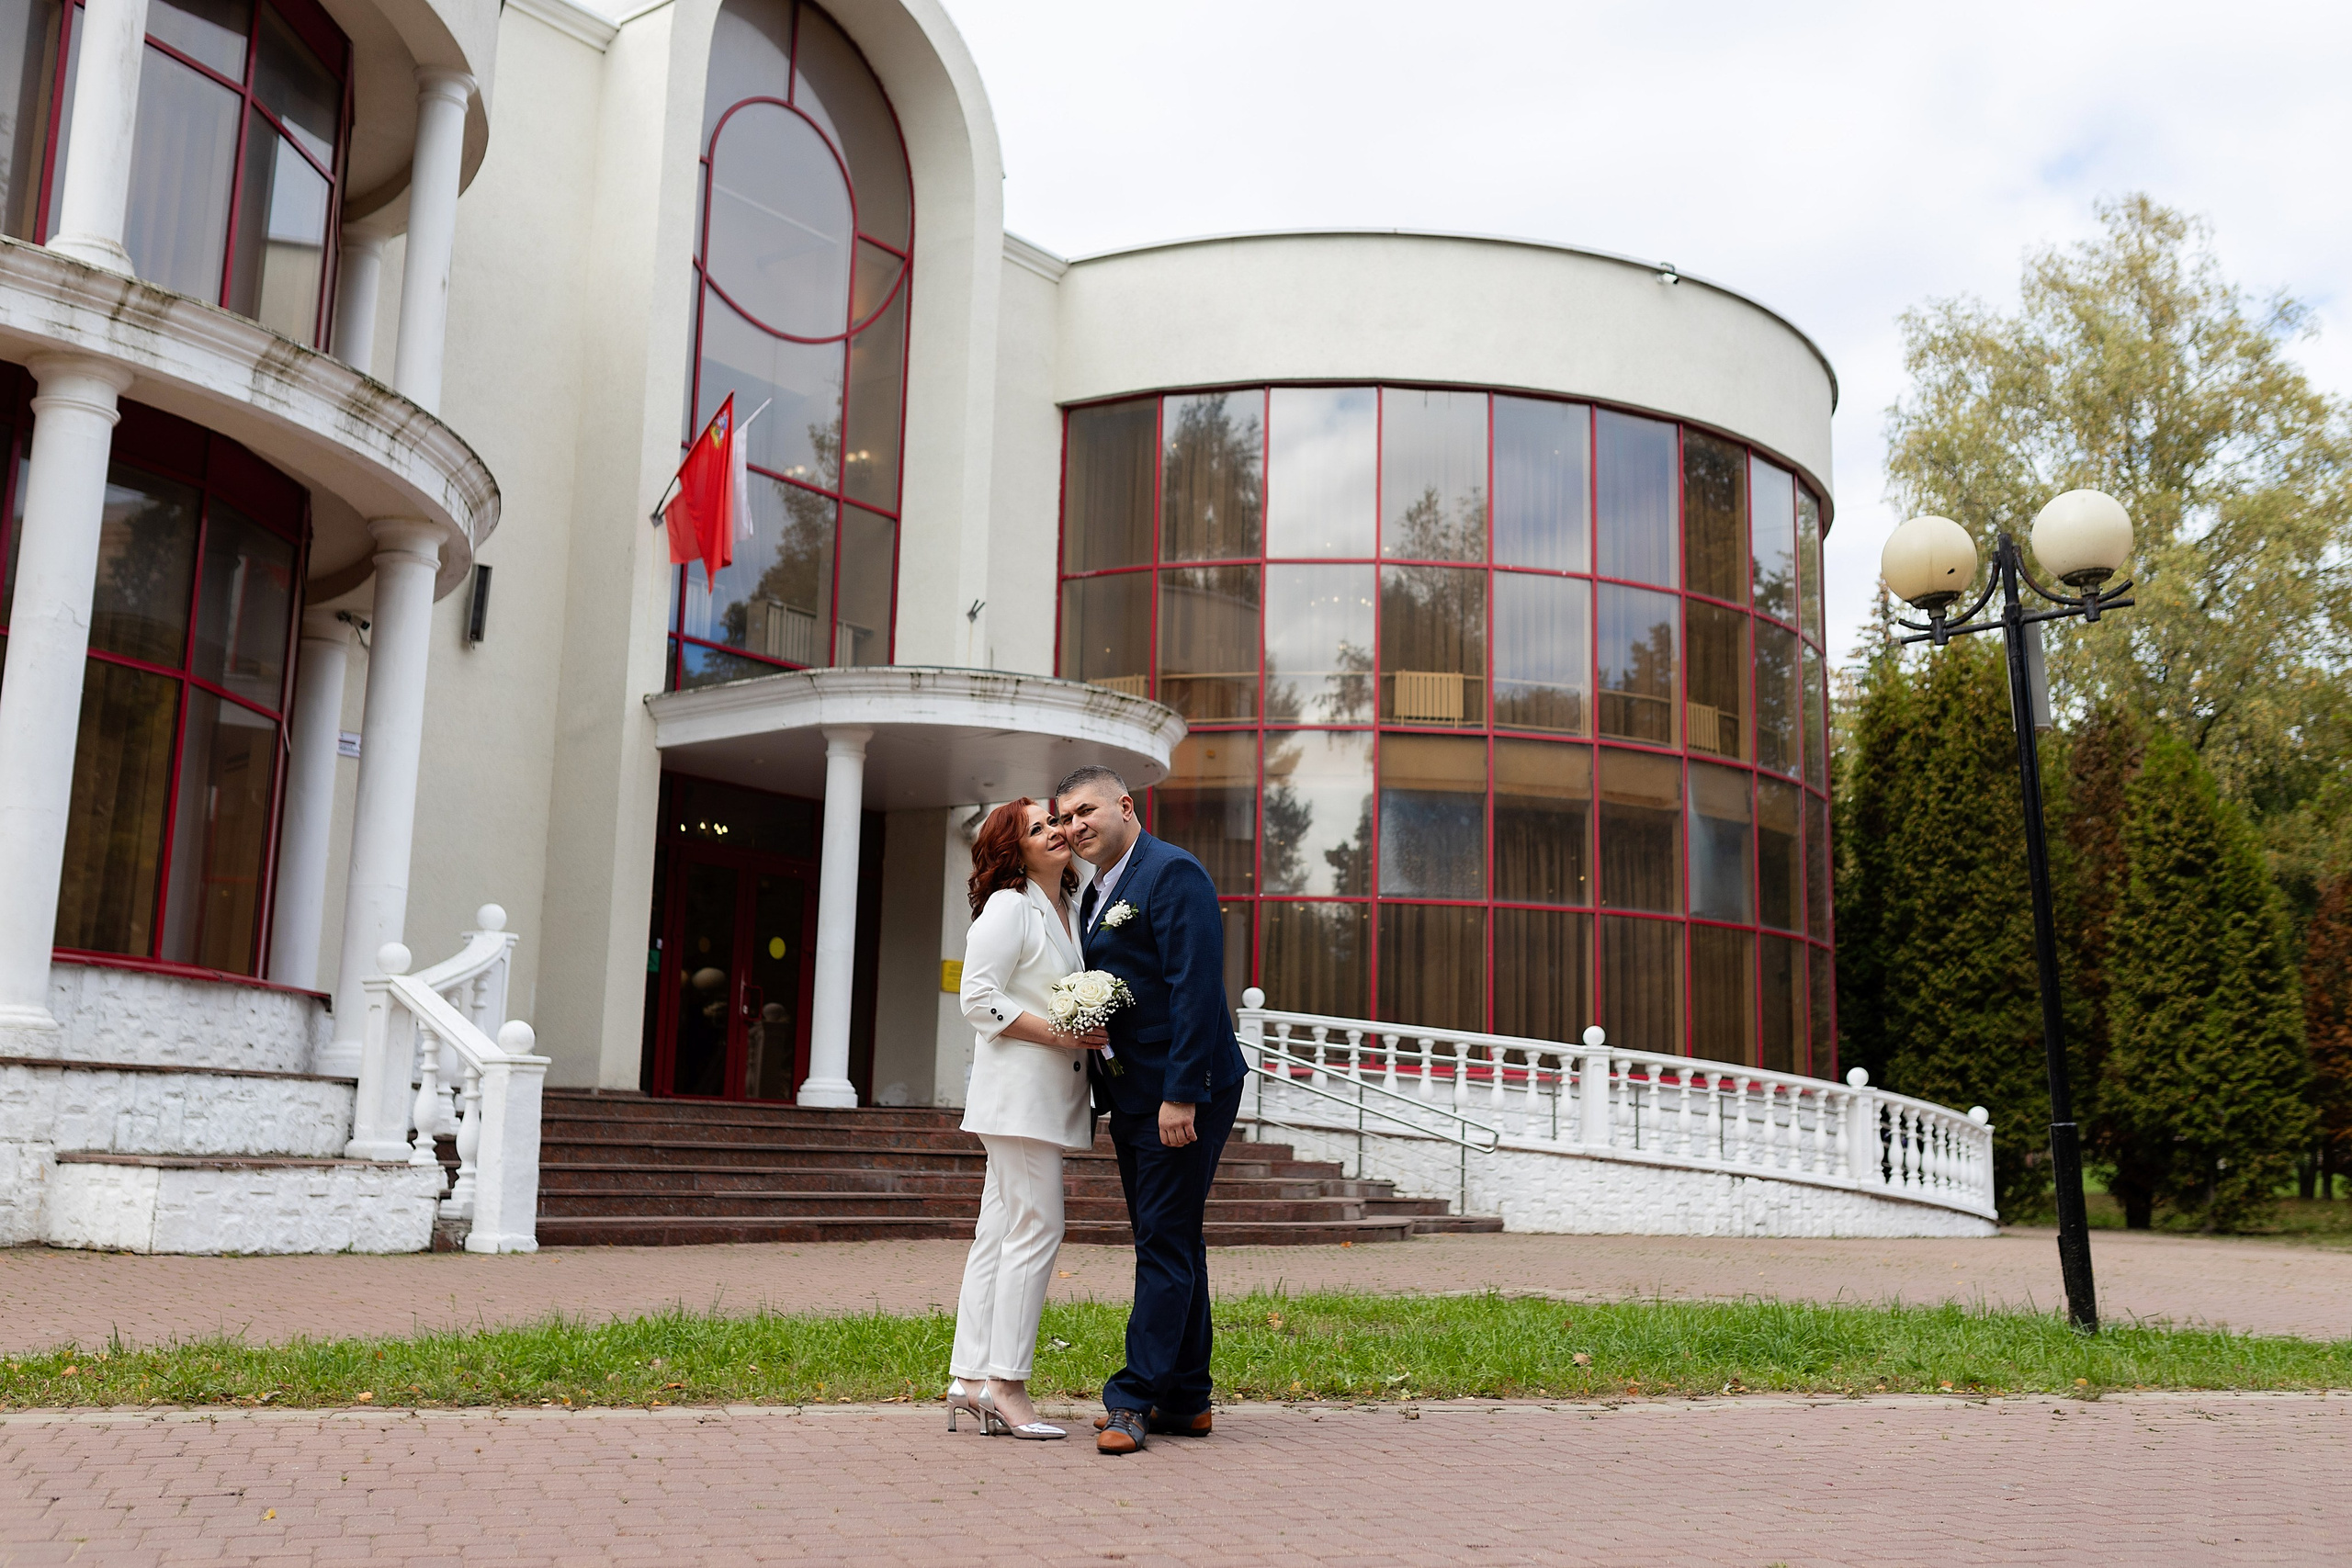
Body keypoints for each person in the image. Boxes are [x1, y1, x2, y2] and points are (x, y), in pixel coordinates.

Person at [1053, 763, 1250, 1456]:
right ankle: (1188, 1397)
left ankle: (1132, 1398)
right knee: (1172, 1238)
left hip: (1181, 1090)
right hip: (1133, 1091)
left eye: (1084, 811)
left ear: (1124, 806)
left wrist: (1181, 1091)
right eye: (1065, 818)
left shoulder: (1172, 873)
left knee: (1162, 1240)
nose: (1074, 827)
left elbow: (1195, 987)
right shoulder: (1097, 892)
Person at [947, 796, 1105, 1439]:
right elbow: (977, 998)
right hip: (1016, 1097)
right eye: (1038, 827)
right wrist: (1060, 1034)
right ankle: (1006, 1384)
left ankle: (967, 1377)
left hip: (1043, 1097)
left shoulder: (1065, 907)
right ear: (1014, 849)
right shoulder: (1010, 906)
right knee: (1040, 1226)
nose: (1055, 832)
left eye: (1055, 821)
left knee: (1000, 1230)